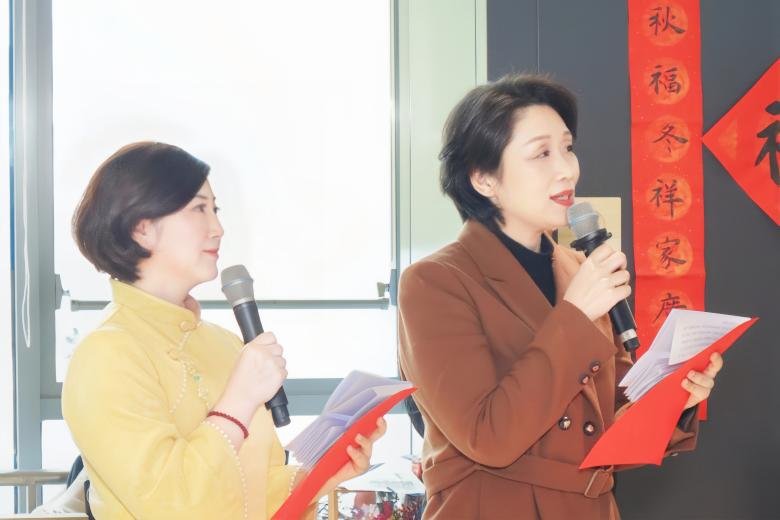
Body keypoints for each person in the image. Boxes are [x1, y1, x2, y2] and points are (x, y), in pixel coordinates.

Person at [396, 74, 722, 519]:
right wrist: (576, 314)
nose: (567, 168)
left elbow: (605, 425)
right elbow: (488, 436)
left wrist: (674, 395)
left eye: (567, 148)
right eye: (542, 153)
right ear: (483, 178)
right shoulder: (434, 282)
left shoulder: (577, 269)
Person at [62, 142, 386, 519]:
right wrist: (238, 400)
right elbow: (170, 506)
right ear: (142, 228)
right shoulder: (105, 355)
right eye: (199, 209)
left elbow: (251, 490)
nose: (218, 228)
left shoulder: (227, 344)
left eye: (214, 210)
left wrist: (320, 475)